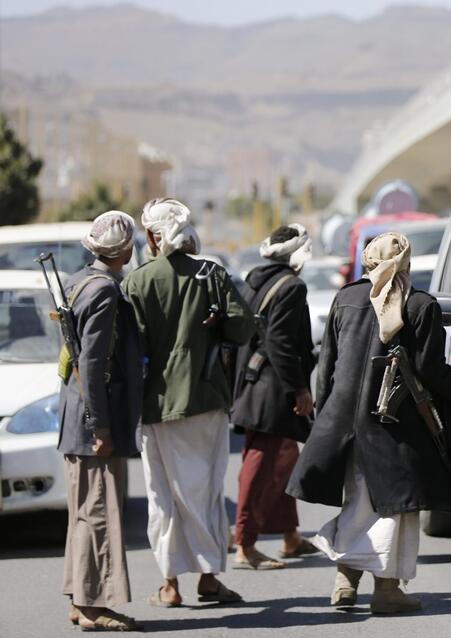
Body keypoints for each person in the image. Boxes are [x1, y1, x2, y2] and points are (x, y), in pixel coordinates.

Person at [287, 232, 451, 614]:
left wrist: (325, 416)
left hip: (343, 421)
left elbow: (328, 366)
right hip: (395, 427)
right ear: (406, 261)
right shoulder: (421, 305)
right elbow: (429, 369)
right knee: (396, 507)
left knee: (358, 500)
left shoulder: (346, 298)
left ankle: (345, 579)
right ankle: (387, 590)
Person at [123, 198, 255, 607]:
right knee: (205, 492)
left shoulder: (138, 282)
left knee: (163, 495)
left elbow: (129, 350)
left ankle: (169, 584)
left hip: (157, 406)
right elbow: (243, 326)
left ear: (152, 235)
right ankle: (209, 578)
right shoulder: (210, 273)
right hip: (205, 400)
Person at [59, 211, 143, 631]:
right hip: (94, 420)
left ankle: (80, 599)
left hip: (77, 416)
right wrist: (101, 428)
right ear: (124, 250)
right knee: (97, 514)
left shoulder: (78, 281)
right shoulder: (105, 292)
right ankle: (93, 606)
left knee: (84, 513)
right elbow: (91, 364)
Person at [230, 224, 318, 570]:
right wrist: (299, 389)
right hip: (272, 390)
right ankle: (245, 545)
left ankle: (290, 537)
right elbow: (280, 343)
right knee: (260, 465)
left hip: (253, 385)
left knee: (283, 460)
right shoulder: (292, 286)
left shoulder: (257, 279)